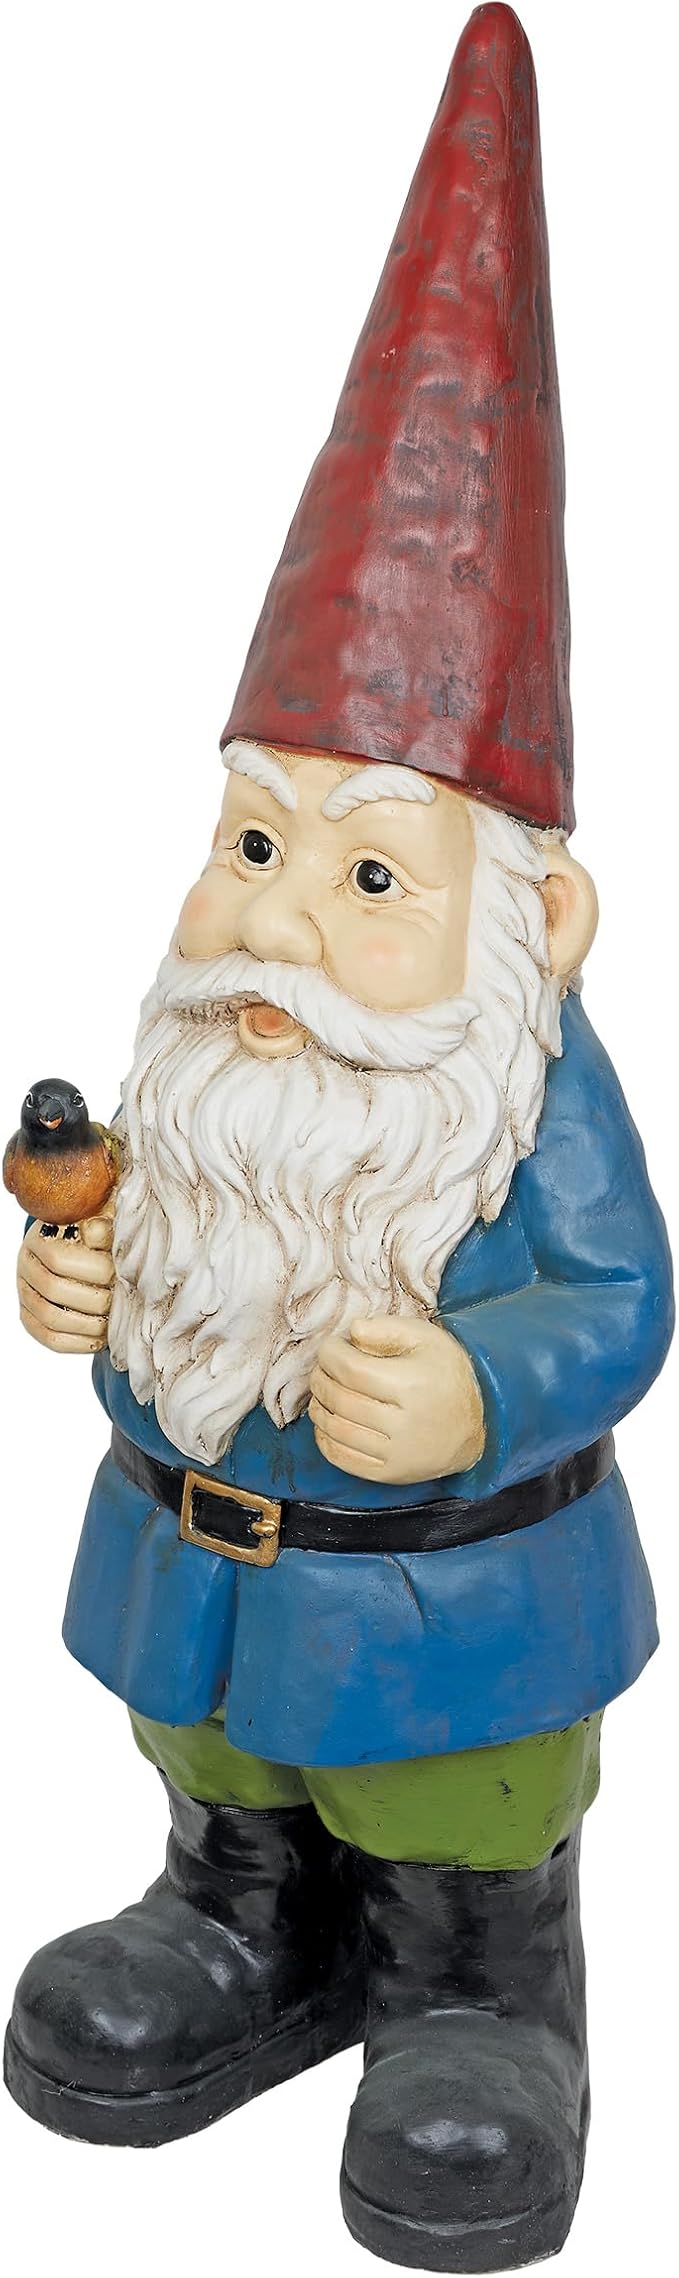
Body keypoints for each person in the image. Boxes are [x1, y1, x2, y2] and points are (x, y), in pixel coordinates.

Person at [4, 7, 673, 2271]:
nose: (278, 914)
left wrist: (480, 1380)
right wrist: (94, 1286)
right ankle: (242, 1922)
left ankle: (480, 1997)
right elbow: (181, 1253)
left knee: (455, 1814)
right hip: (205, 1583)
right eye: (257, 842)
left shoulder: (515, 1079)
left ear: (528, 925)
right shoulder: (220, 1056)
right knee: (224, 1780)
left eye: (367, 871)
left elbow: (619, 1297)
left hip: (450, 1611)